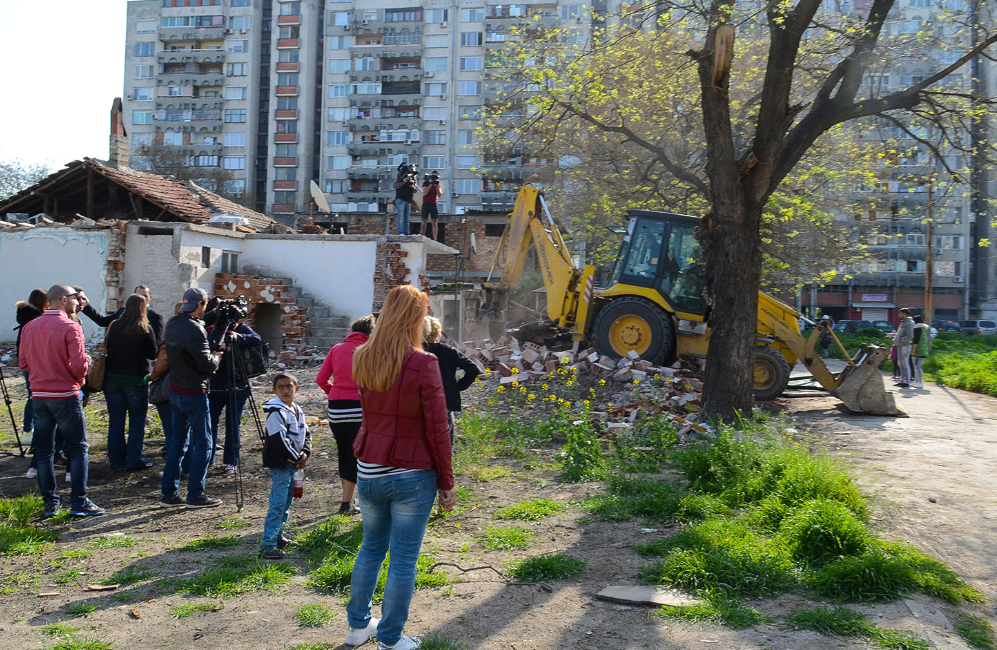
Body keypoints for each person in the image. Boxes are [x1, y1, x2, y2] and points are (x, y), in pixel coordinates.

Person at [345, 285, 456, 650]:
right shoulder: (424, 362)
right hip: (412, 472)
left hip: (369, 468)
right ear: (415, 317)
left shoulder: (362, 355)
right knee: (404, 560)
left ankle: (359, 628)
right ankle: (390, 639)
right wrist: (447, 482)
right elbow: (438, 427)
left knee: (370, 549)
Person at [18, 285, 103, 518]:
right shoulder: (70, 327)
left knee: (44, 451)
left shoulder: (30, 326)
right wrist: (82, 368)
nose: (79, 303)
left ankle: (50, 504)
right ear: (63, 300)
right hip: (65, 395)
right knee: (77, 448)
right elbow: (78, 367)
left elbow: (23, 363)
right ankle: (79, 502)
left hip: (40, 395)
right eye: (76, 299)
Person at [160, 287, 224, 509]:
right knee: (204, 443)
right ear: (199, 305)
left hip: (176, 392)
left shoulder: (173, 323)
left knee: (176, 444)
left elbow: (191, 325)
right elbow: (206, 365)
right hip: (195, 393)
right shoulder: (195, 330)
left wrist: (214, 315)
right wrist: (217, 357)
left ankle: (169, 494)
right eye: (205, 305)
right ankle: (195, 493)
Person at [316, 314, 375, 515]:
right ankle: (349, 504)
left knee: (344, 453)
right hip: (359, 408)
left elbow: (321, 379)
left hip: (336, 409)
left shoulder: (336, 349)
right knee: (360, 456)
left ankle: (346, 500)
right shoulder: (370, 350)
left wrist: (334, 391)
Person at [259, 373, 311, 560]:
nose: (285, 390)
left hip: (294, 463)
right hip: (281, 464)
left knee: (286, 502)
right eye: (280, 387)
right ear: (274, 391)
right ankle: (267, 544)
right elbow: (279, 440)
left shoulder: (296, 409)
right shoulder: (276, 413)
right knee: (278, 503)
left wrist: (305, 452)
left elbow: (306, 433)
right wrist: (296, 457)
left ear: (297, 389)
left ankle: (278, 536)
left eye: (289, 386)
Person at [104, 294, 158, 470]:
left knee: (116, 420)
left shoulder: (114, 325)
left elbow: (108, 346)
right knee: (136, 421)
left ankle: (116, 460)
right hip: (136, 380)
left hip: (112, 378)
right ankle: (134, 460)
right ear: (143, 309)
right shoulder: (145, 328)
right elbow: (152, 354)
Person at [16, 289, 65, 479]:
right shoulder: (38, 321)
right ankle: (43, 447)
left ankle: (28, 432)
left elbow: (22, 350)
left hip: (30, 367)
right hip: (43, 371)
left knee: (33, 399)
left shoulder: (24, 320)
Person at [207, 317, 262, 475]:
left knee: (233, 424)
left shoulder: (242, 329)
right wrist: (220, 348)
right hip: (217, 384)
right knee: (210, 422)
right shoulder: (216, 330)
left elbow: (257, 339)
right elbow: (209, 346)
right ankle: (208, 457)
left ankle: (231, 461)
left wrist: (237, 340)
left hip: (237, 384)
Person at [422, 316, 480, 446]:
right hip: (445, 402)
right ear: (438, 332)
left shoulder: (416, 351)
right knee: (445, 441)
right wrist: (457, 386)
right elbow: (473, 369)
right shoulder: (448, 351)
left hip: (419, 402)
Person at [81, 285, 164, 344]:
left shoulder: (155, 317)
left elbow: (156, 343)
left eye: (144, 296)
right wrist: (86, 306)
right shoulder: (122, 311)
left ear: (150, 297)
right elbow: (102, 321)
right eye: (138, 295)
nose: (141, 299)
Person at [894, 308, 914, 389]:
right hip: (899, 345)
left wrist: (899, 340)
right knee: (900, 363)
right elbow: (900, 333)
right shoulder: (903, 323)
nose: (899, 315)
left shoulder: (909, 323)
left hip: (905, 345)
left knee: (905, 363)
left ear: (905, 314)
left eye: (900, 314)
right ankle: (902, 380)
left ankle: (907, 381)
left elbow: (910, 336)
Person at [420, 173, 441, 241]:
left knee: (434, 222)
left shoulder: (437, 184)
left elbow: (439, 194)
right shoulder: (425, 183)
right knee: (424, 221)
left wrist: (437, 186)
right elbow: (425, 193)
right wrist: (430, 184)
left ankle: (435, 239)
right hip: (426, 204)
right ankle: (422, 236)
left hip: (434, 204)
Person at [911, 314, 931, 390]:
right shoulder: (922, 329)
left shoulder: (917, 329)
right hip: (922, 349)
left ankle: (920, 382)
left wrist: (913, 350)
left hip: (920, 349)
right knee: (917, 366)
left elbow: (916, 340)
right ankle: (917, 381)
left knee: (918, 366)